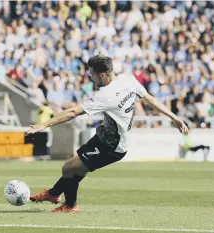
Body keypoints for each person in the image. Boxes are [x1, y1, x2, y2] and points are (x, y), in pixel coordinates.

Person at [26, 54, 189, 212]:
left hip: (113, 146)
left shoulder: (105, 96)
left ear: (102, 75)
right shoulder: (128, 79)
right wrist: (174, 118)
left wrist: (44, 125)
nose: (91, 78)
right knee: (77, 168)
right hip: (104, 137)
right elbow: (150, 100)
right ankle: (54, 194)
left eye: (92, 74)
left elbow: (73, 112)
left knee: (68, 168)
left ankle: (69, 204)